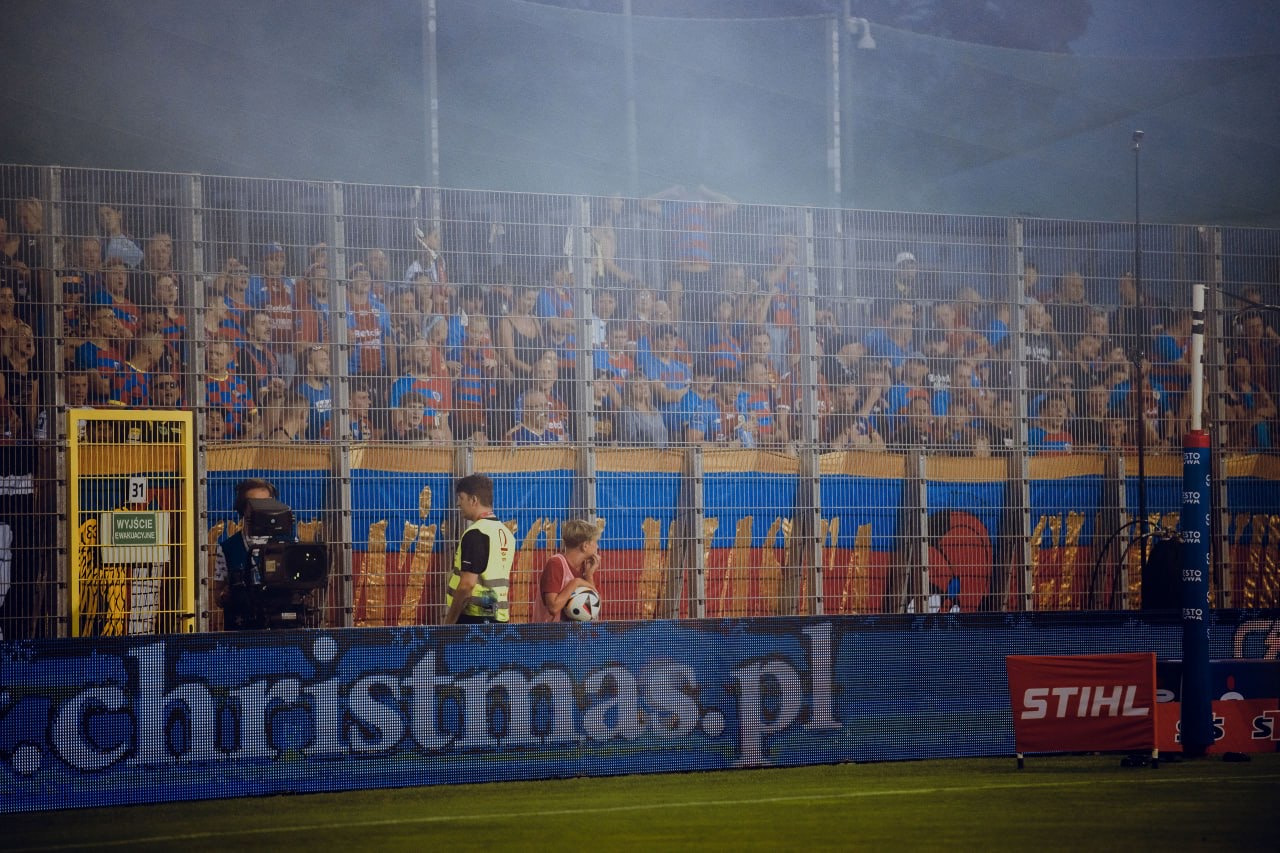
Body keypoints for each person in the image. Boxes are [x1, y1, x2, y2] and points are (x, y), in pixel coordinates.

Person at [444, 474, 514, 625]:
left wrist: (449, 622)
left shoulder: (476, 533)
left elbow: (466, 585)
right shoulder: (506, 533)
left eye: (461, 498)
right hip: (499, 617)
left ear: (473, 500)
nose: (458, 503)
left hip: (473, 618)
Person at [213, 478, 278, 630]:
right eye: (254, 503)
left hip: (279, 629)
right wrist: (226, 595)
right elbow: (218, 595)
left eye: (266, 502)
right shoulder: (227, 548)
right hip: (241, 630)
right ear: (243, 508)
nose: (261, 508)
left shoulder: (288, 542)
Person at [538, 518, 601, 622]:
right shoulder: (556, 564)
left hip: (575, 631)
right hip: (550, 630)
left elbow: (594, 608)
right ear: (585, 546)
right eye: (595, 542)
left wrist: (589, 576)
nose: (597, 546)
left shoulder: (587, 567)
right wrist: (576, 582)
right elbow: (553, 608)